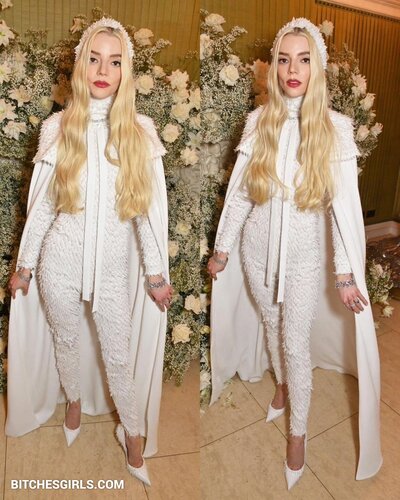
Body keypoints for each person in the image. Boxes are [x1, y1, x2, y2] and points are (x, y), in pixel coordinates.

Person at [208, 18, 382, 489]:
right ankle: (282, 387)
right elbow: (241, 196)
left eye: (304, 60)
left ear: (317, 67)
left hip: (305, 260)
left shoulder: (336, 129)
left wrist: (344, 275)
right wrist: (223, 249)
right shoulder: (258, 121)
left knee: (294, 342)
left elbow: (340, 212)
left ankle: (298, 432)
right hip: (255, 254)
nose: (292, 69)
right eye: (284, 59)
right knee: (271, 325)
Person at [6, 17, 172, 486]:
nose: (103, 70)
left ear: (125, 70)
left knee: (118, 356)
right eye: (94, 59)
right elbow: (42, 209)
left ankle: (132, 435)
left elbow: (144, 215)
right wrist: (25, 267)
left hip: (113, 269)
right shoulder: (58, 128)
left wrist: (155, 275)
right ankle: (74, 401)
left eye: (114, 61)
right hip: (58, 263)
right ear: (81, 66)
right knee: (66, 340)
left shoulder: (139, 131)